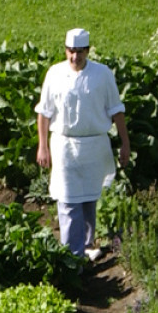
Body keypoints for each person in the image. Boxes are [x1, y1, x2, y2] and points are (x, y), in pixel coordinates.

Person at [34, 28, 131, 262]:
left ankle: (86, 246)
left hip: (94, 146)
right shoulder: (55, 74)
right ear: (65, 50)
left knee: (89, 199)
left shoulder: (102, 75)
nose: (74, 57)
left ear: (87, 51)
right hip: (64, 145)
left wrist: (125, 143)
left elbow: (116, 111)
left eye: (79, 52)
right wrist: (43, 146)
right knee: (68, 200)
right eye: (70, 51)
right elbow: (44, 112)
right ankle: (71, 256)